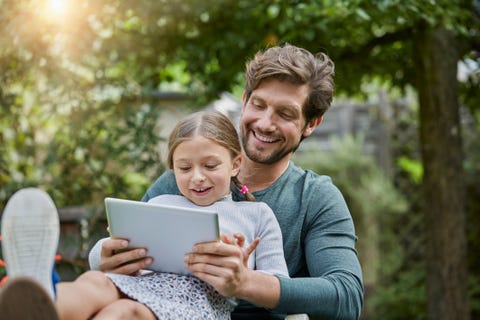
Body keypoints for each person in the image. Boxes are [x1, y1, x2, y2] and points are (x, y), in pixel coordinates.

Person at [89, 43, 364, 319]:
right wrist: (106, 256)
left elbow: (346, 296)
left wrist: (246, 283)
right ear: (244, 101)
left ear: (311, 123)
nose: (265, 123)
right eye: (258, 105)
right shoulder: (178, 181)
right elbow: (127, 249)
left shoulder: (315, 197)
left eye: (285, 114)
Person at [1, 110, 289, 320]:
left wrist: (244, 276)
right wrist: (105, 250)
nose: (197, 178)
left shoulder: (256, 215)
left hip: (195, 302)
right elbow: (108, 252)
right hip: (140, 280)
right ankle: (39, 304)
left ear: (236, 163)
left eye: (210, 166)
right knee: (94, 283)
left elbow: (280, 289)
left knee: (125, 312)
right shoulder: (162, 201)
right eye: (185, 168)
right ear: (173, 168)